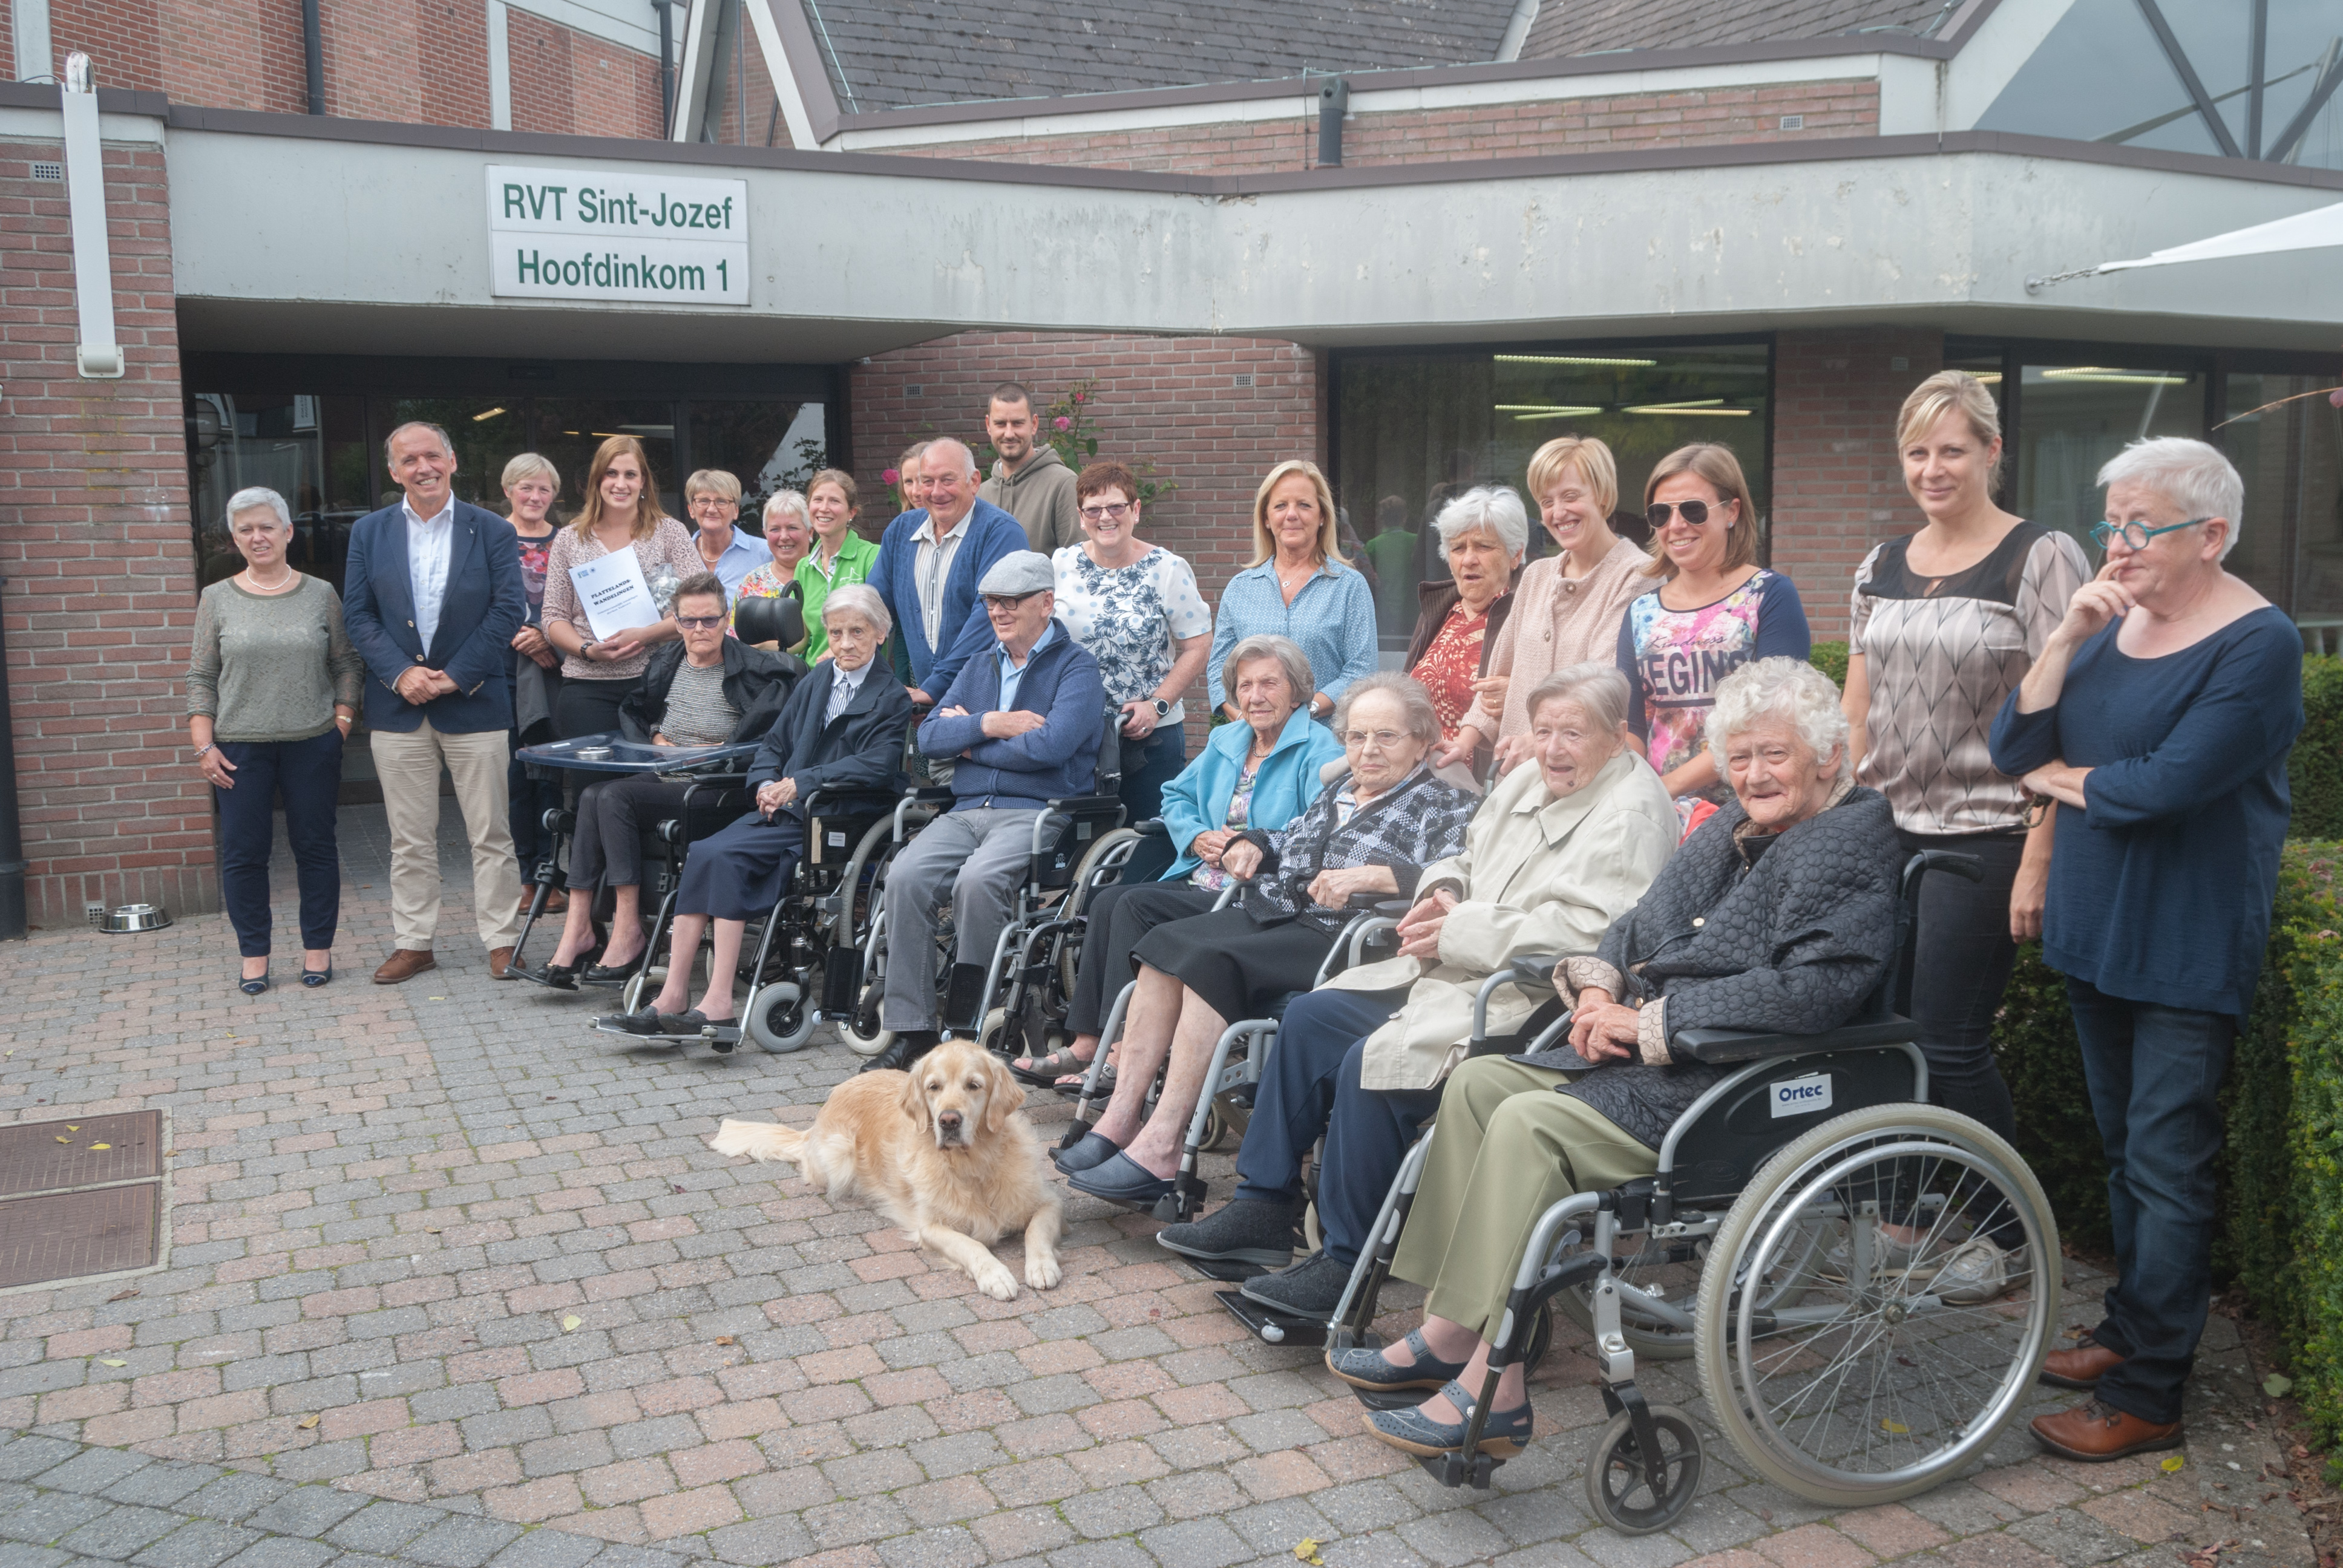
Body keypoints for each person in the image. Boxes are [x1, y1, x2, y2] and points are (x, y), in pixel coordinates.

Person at [1340, 658, 1901, 1458]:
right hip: (1671, 1062)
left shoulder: (1846, 846)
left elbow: (1814, 992)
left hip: (1740, 1080)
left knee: (1530, 1123)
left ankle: (1494, 1388)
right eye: (1738, 757)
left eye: (1774, 755)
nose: (1753, 774)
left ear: (1826, 755)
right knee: (1479, 1083)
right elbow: (1637, 924)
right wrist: (1600, 986)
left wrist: (1648, 1024)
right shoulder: (1731, 831)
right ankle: (1449, 1327)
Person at [1158, 664, 1678, 1315]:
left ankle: (1347, 1266)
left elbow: (1589, 935)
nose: (1551, 748)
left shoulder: (1630, 814)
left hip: (1527, 997)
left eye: (1571, 733)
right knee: (1313, 1017)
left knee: (1372, 1062)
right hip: (1450, 965)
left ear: (1616, 734)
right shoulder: (1525, 778)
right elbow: (1463, 853)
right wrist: (1443, 891)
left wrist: (1457, 927)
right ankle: (1262, 1207)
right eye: (1542, 730)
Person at [1991, 438, 2303, 1463]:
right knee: (2127, 1154)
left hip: (2181, 936)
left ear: (2210, 534)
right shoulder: (2108, 622)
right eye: (2108, 525)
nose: (2114, 547)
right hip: (2095, 924)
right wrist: (2063, 635)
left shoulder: (2256, 644)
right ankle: (2130, 1326)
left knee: (2168, 1165)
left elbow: (2158, 788)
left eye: (2138, 527)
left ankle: (2152, 1386)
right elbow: (2011, 750)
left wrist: (2069, 779)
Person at [1061, 673, 1475, 1209]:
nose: (1367, 750)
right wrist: (1249, 841)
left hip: (1345, 937)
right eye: (1356, 736)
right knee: (1163, 945)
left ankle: (1163, 1147)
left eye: (1387, 737)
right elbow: (1290, 838)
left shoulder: (1447, 802)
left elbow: (1453, 873)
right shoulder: (1340, 790)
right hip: (1282, 912)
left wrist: (1375, 877)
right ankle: (1120, 1119)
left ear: (1423, 741)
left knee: (1207, 958)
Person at [1844, 371, 2088, 1152]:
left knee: (1950, 1039)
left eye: (1952, 450)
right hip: (1885, 832)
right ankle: (1910, 1219)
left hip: (1985, 836)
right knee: (1882, 1034)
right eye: (1917, 452)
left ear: (1992, 451)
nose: (1932, 470)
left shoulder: (2041, 555)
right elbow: (1856, 707)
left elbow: (2068, 720)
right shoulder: (1879, 563)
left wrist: (2039, 857)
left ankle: (2001, 1231)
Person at [1008, 635, 1345, 1088]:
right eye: (1245, 686)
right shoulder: (1230, 738)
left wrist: (1255, 843)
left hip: (1255, 893)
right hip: (1202, 877)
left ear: (1298, 690)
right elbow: (1176, 795)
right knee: (1107, 899)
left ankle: (1123, 1051)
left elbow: (1319, 828)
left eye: (1270, 683)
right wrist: (1197, 836)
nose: (1256, 696)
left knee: (1132, 906)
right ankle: (1088, 1041)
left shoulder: (1318, 749)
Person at [616, 586, 912, 1033]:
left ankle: (717, 1001)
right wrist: (766, 784)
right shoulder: (817, 679)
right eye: (836, 632)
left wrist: (800, 783)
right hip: (787, 809)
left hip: (834, 816)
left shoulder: (890, 696)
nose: (846, 643)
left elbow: (878, 764)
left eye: (858, 631)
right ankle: (675, 992)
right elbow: (773, 744)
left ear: (880, 634)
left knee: (723, 855)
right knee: (704, 851)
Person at [862, 552, 1107, 1074]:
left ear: (1046, 603)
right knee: (904, 874)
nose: (998, 611)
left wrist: (968, 740)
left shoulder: (1078, 667)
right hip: (967, 808)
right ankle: (913, 1030)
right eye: (992, 602)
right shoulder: (980, 664)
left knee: (978, 882)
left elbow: (1052, 747)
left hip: (1037, 812)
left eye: (1011, 601)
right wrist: (994, 723)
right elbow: (929, 737)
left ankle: (970, 1021)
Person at [536, 572, 797, 986]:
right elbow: (634, 712)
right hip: (666, 777)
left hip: (717, 787)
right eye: (689, 621)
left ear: (726, 619)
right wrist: (656, 735)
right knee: (591, 796)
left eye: (709, 620)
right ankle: (579, 927)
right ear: (675, 622)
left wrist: (714, 748)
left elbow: (767, 737)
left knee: (613, 798)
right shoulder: (666, 661)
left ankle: (628, 930)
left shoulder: (764, 672)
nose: (699, 630)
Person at [341, 421, 528, 984]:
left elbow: (508, 609)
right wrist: (401, 674)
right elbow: (358, 615)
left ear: (451, 461)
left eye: (431, 456)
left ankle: (501, 941)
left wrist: (454, 677)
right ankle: (414, 942)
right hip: (399, 707)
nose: (422, 467)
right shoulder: (368, 533)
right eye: (408, 460)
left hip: (474, 702)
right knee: (409, 837)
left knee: (491, 832)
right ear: (394, 471)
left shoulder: (491, 529)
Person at [186, 486, 365, 994]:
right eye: (246, 529)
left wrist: (343, 723)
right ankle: (254, 955)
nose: (257, 537)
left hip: (312, 741)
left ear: (288, 532)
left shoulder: (320, 593)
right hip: (238, 747)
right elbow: (201, 676)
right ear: (234, 539)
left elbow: (346, 662)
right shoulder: (216, 598)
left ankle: (317, 950)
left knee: (315, 848)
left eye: (267, 527)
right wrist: (205, 746)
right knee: (244, 854)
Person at [1618, 443, 1811, 831]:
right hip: (1658, 818)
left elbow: (1769, 718)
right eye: (1660, 514)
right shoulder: (1640, 613)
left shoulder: (1769, 596)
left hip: (1750, 812)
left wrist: (1666, 786)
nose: (1676, 525)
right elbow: (1631, 724)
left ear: (1732, 512)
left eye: (1693, 509)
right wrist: (1639, 791)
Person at [1442, 437, 1647, 777]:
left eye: (1571, 496)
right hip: (1516, 777)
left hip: (1583, 778)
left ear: (1604, 496)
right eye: (1546, 501)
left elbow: (1601, 685)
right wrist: (1463, 743)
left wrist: (1531, 736)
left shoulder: (1637, 576)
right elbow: (1497, 677)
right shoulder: (1537, 575)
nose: (1558, 512)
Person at [1050, 459, 1211, 845]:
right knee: (1078, 851)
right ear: (1081, 516)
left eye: (1116, 507)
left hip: (1148, 738)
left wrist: (1157, 706)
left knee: (1143, 846)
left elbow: (1198, 645)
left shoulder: (1168, 569)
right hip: (1077, 736)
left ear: (1135, 510)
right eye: (1094, 509)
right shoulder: (1061, 564)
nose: (1105, 517)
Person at [539, 435, 700, 743]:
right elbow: (553, 617)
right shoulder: (570, 539)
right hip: (587, 688)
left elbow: (703, 608)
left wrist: (643, 635)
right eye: (611, 473)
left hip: (660, 683)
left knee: (653, 787)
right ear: (596, 480)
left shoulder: (670, 533)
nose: (620, 484)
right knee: (592, 789)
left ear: (644, 483)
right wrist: (588, 651)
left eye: (630, 475)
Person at [1208, 460, 1378, 725]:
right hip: (1255, 743)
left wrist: (1303, 713)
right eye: (1280, 505)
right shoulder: (1240, 588)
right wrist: (1249, 720)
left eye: (1304, 504)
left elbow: (1361, 671)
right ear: (1266, 518)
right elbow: (1219, 670)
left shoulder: (1349, 586)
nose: (1291, 514)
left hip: (1325, 743)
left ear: (1323, 516)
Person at [870, 436, 1031, 707]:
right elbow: (873, 606)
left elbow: (989, 617)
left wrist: (936, 687)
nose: (936, 492)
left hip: (990, 698)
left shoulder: (1001, 532)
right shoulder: (900, 531)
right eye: (927, 481)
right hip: (925, 696)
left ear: (975, 482)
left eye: (948, 480)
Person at [1403, 486, 1523, 762]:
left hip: (1486, 783)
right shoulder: (1438, 611)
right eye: (1458, 548)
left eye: (1483, 546)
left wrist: (1519, 693)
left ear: (1515, 555)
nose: (1469, 559)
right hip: (1423, 775)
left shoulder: (1528, 612)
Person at [503, 452, 567, 916]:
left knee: (551, 777)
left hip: (560, 670)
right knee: (516, 777)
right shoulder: (488, 538)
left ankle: (554, 874)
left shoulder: (570, 540)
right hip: (504, 673)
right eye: (526, 488)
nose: (534, 497)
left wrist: (547, 635)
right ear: (509, 490)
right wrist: (522, 637)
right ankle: (527, 876)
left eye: (544, 489)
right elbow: (472, 600)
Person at [979, 382, 1083, 554]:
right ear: (988, 425)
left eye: (1018, 423)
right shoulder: (980, 496)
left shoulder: (1063, 485)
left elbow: (1077, 564)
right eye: (1001, 424)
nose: (1009, 433)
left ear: (1034, 424)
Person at [795, 469, 880, 662]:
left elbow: (878, 623)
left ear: (852, 512)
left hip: (861, 678)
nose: (824, 508)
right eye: (818, 500)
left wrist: (838, 651)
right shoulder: (803, 567)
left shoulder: (872, 556)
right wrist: (756, 646)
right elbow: (800, 639)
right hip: (816, 678)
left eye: (834, 501)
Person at [732, 491, 812, 651]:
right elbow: (735, 644)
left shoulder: (825, 575)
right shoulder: (752, 583)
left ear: (810, 532)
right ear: (765, 534)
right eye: (775, 529)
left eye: (792, 528)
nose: (784, 537)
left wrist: (761, 646)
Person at [683, 469, 764, 601]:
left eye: (721, 501)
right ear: (691, 509)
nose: (712, 509)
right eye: (703, 501)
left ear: (736, 511)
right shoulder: (679, 555)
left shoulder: (764, 553)